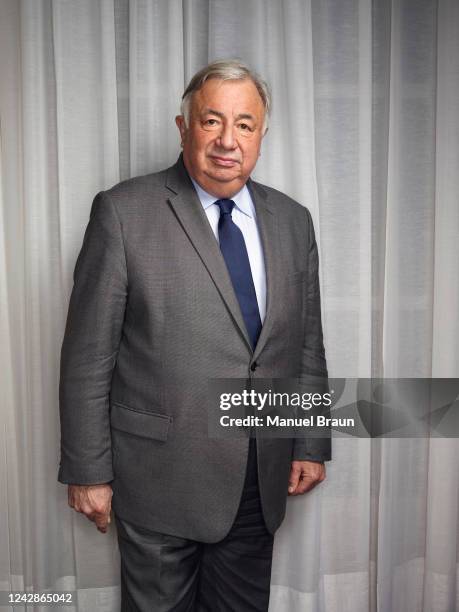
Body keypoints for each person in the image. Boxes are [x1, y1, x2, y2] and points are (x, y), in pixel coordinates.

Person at [58, 59, 331, 611]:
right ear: (184, 127)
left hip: (258, 476)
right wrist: (88, 471)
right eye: (212, 121)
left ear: (262, 135)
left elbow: (304, 343)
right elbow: (87, 357)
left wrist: (309, 439)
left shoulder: (293, 221)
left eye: (245, 125)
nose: (228, 141)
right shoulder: (123, 212)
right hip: (158, 479)